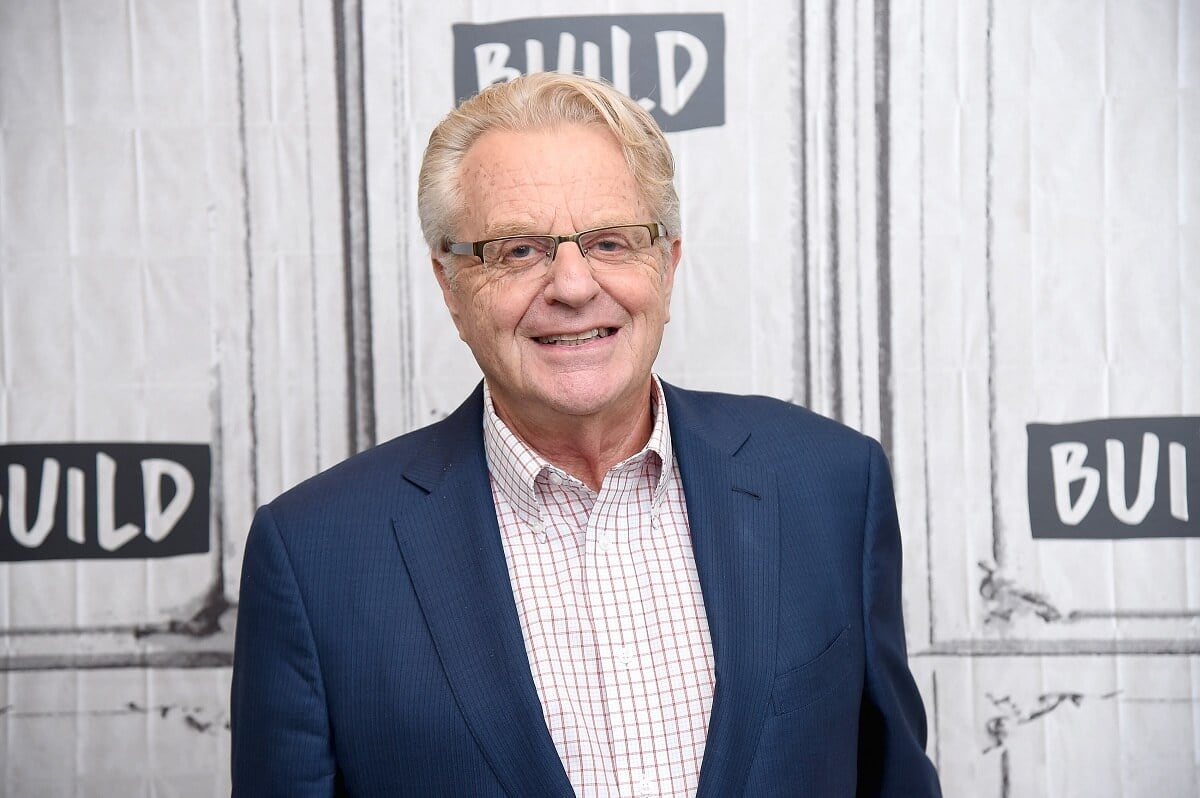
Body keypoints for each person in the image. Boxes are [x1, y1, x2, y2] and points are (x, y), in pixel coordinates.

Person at [230, 71, 941, 797]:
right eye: (517, 251)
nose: (572, 286)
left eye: (609, 242)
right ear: (450, 286)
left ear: (666, 264)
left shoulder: (831, 484)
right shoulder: (315, 558)